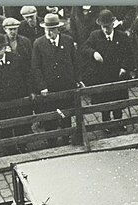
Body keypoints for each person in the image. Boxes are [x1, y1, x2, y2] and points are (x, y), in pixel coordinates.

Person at [31, 13, 82, 146]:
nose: (49, 32)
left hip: (67, 85)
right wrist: (42, 86)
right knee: (50, 117)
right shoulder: (38, 44)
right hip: (49, 88)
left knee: (66, 115)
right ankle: (52, 141)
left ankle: (66, 139)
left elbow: (75, 62)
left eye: (52, 29)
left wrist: (77, 80)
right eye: (47, 29)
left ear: (58, 29)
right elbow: (35, 67)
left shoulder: (68, 41)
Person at [81, 9, 135, 131]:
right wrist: (93, 53)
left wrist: (124, 67)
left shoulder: (122, 36)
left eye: (108, 26)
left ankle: (119, 122)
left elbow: (129, 55)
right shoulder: (95, 35)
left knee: (118, 101)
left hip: (117, 75)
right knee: (104, 102)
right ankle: (106, 124)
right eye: (103, 27)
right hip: (102, 76)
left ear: (113, 24)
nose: (105, 29)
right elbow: (84, 48)